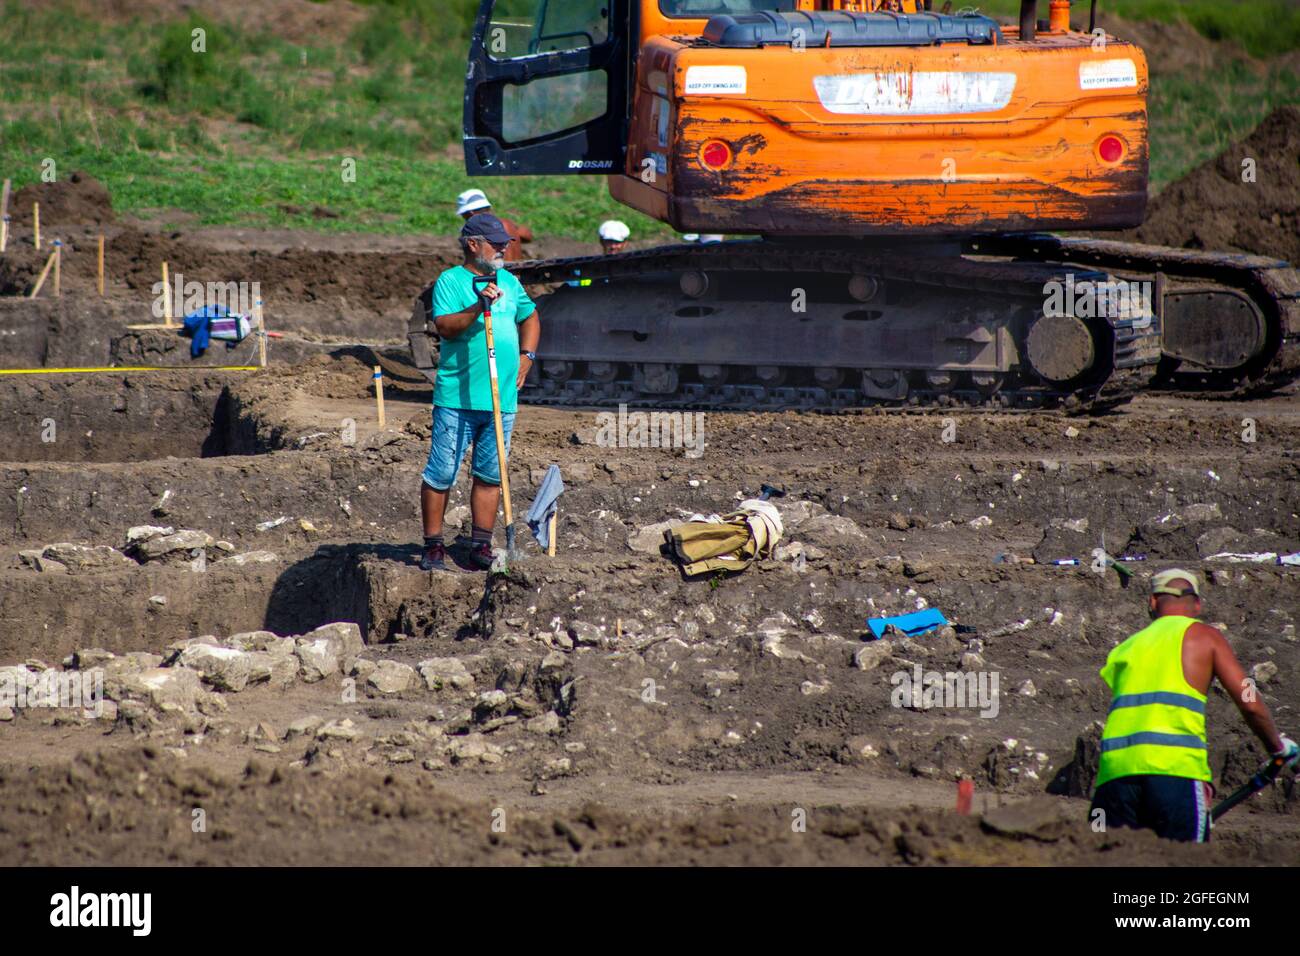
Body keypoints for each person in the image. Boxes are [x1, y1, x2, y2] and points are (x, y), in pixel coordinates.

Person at [1090, 568, 1299, 842]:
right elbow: (1248, 700)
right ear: (1197, 604)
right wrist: (1277, 746)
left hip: (1114, 779)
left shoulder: (1125, 648)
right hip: (1175, 774)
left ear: (1152, 602)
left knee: (1107, 856)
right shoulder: (1204, 636)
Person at [419, 213, 540, 571]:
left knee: (490, 474)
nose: (504, 248)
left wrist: (527, 356)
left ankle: (480, 545)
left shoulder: (509, 281)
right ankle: (434, 545)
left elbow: (530, 317)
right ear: (473, 244)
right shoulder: (451, 281)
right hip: (458, 399)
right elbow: (445, 327)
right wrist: (478, 307)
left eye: (505, 242)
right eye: (496, 243)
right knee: (441, 472)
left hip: (501, 400)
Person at [455, 189, 534, 262]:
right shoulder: (508, 224)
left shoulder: (484, 231)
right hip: (518, 272)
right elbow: (528, 235)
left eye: (464, 216)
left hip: (501, 274)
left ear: (470, 213)